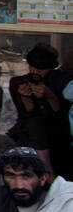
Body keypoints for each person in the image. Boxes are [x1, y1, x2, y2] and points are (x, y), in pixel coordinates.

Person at [7, 44, 73, 179]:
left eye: (41, 69)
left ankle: (50, 176)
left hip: (58, 130)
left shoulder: (61, 81)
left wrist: (50, 96)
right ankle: (49, 176)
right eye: (32, 67)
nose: (35, 72)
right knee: (35, 127)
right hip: (33, 131)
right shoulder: (19, 82)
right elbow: (28, 116)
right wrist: (26, 98)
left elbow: (62, 116)